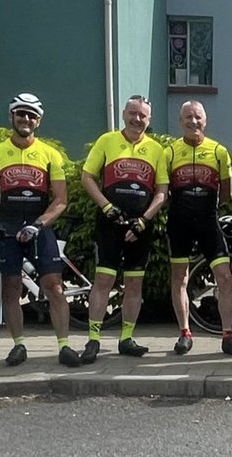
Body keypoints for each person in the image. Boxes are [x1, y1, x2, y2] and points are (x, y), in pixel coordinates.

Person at [0, 93, 79, 368]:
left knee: (54, 287)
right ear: (12, 116)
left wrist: (38, 224)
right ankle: (19, 345)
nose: (26, 119)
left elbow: (61, 200)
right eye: (21, 113)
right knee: (11, 289)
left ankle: (64, 346)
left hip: (38, 225)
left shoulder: (50, 154)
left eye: (32, 115)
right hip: (6, 226)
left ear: (39, 121)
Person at [79, 95, 169, 364]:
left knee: (134, 283)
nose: (137, 119)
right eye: (132, 113)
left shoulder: (156, 150)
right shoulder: (107, 141)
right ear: (123, 114)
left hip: (140, 225)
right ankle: (93, 339)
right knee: (103, 280)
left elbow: (162, 191)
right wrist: (106, 207)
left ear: (149, 119)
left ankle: (126, 338)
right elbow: (87, 176)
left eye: (142, 115)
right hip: (109, 222)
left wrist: (144, 219)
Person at [164, 101, 232, 357]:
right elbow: (163, 193)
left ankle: (228, 335)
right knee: (180, 278)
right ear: (180, 122)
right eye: (188, 117)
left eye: (198, 117)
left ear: (205, 121)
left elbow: (227, 192)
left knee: (224, 277)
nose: (193, 121)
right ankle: (185, 333)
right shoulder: (170, 152)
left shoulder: (219, 151)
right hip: (179, 222)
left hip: (209, 222)